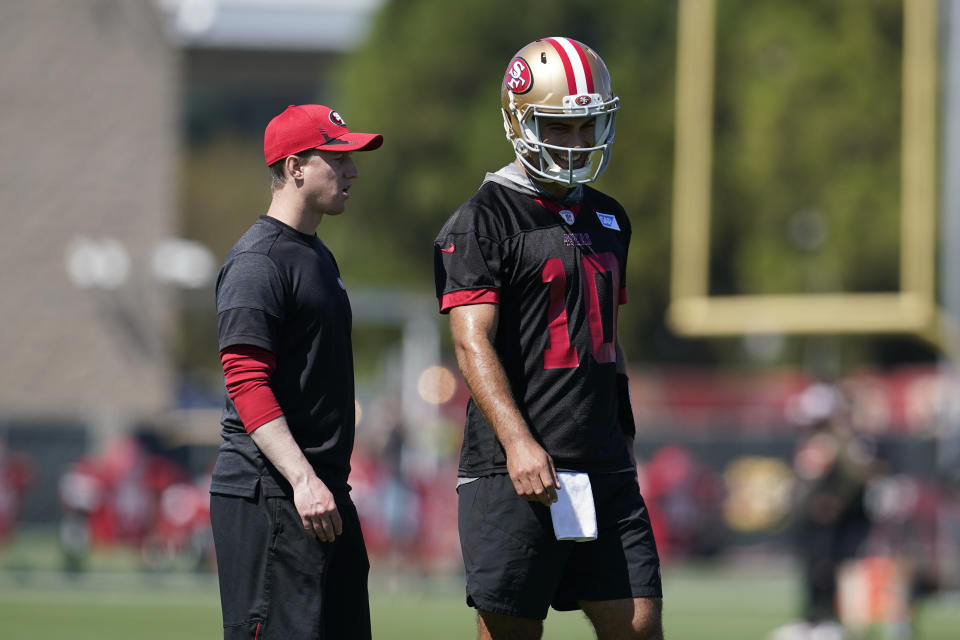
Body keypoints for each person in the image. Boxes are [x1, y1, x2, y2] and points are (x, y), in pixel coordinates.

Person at [433, 37, 664, 639]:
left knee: (638, 624)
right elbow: (470, 343)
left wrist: (625, 425)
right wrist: (518, 444)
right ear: (518, 120)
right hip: (517, 467)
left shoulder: (610, 217)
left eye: (588, 125)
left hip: (604, 463)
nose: (579, 142)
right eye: (560, 127)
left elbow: (608, 335)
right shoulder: (483, 219)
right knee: (511, 632)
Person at [210, 104, 382, 640]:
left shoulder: (315, 255)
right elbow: (245, 380)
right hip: (274, 493)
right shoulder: (258, 261)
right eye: (338, 157)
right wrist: (303, 479)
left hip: (320, 490)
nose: (352, 171)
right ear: (295, 168)